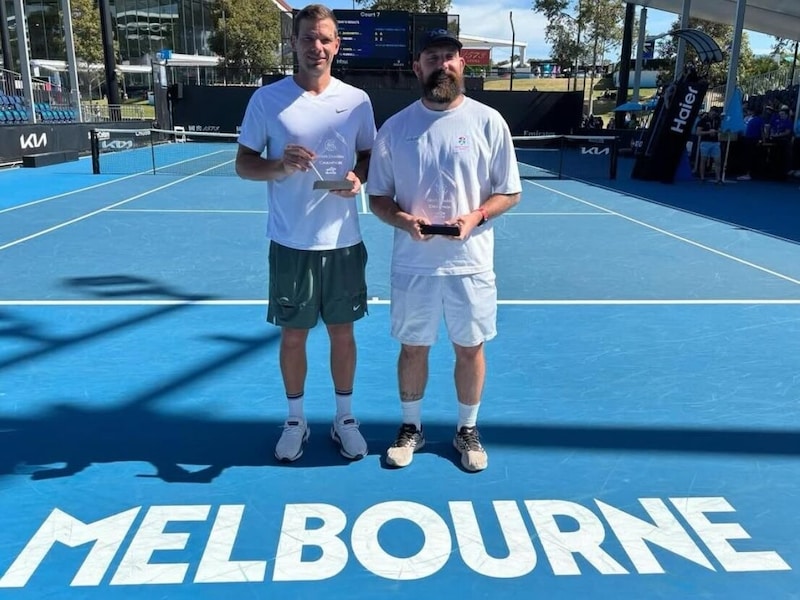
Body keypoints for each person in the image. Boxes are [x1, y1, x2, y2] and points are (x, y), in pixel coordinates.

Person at [367, 29, 522, 472]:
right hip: (413, 265)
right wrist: (402, 220)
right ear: (418, 67)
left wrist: (476, 218)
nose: (442, 65)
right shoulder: (395, 129)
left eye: (450, 57)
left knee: (469, 347)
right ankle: (411, 427)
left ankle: (467, 430)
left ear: (462, 65)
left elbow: (509, 192)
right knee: (413, 347)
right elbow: (378, 198)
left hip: (470, 264)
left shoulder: (489, 122)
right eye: (433, 57)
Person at [235, 3, 376, 462]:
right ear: (294, 43)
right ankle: (295, 421)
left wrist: (358, 177)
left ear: (336, 45)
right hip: (291, 243)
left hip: (343, 243)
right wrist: (280, 165)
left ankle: (344, 419)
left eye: (325, 39)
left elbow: (369, 158)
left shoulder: (356, 101)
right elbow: (243, 164)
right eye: (308, 38)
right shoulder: (266, 100)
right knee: (293, 337)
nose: (317, 46)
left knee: (343, 334)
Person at [695, 106, 722, 183]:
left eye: (716, 112)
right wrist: (709, 132)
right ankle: (702, 177)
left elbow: (719, 129)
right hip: (705, 142)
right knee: (703, 160)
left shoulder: (718, 119)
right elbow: (698, 132)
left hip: (715, 143)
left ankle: (718, 178)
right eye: (713, 111)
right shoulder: (703, 120)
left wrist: (717, 131)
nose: (714, 113)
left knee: (718, 161)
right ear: (710, 111)